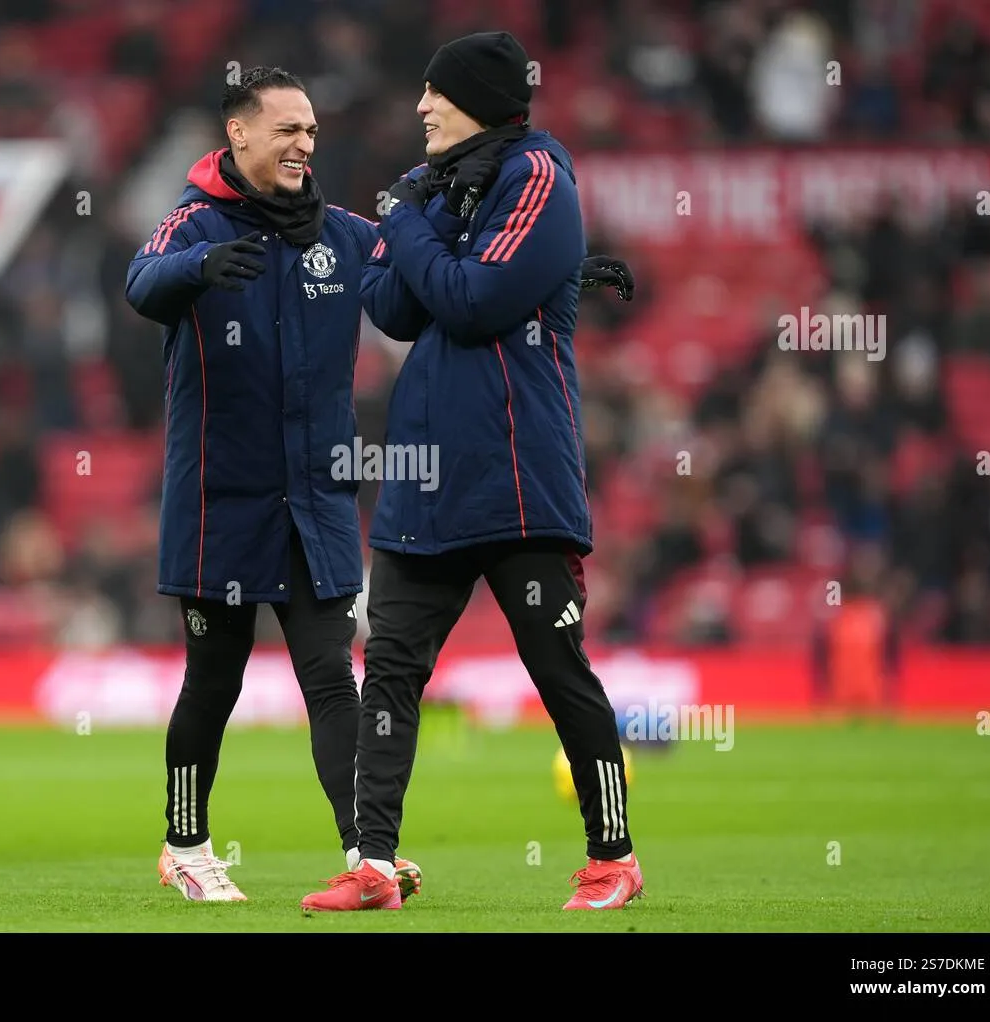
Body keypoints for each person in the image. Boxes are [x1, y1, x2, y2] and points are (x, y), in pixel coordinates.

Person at [300, 31, 643, 913]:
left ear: (481, 100)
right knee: (392, 670)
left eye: (435, 94)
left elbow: (470, 300)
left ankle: (615, 861)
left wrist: (408, 219)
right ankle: (374, 863)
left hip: (519, 474)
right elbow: (393, 307)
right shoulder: (448, 187)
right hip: (426, 476)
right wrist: (424, 221)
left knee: (557, 668)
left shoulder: (537, 178)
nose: (419, 108)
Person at [125, 66, 421, 903]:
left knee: (333, 676)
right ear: (239, 134)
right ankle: (185, 844)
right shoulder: (191, 223)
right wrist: (199, 269)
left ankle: (368, 853)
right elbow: (141, 284)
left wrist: (549, 284)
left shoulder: (345, 233)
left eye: (312, 131)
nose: (303, 144)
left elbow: (434, 282)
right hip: (221, 500)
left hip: (317, 499)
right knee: (213, 678)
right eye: (287, 129)